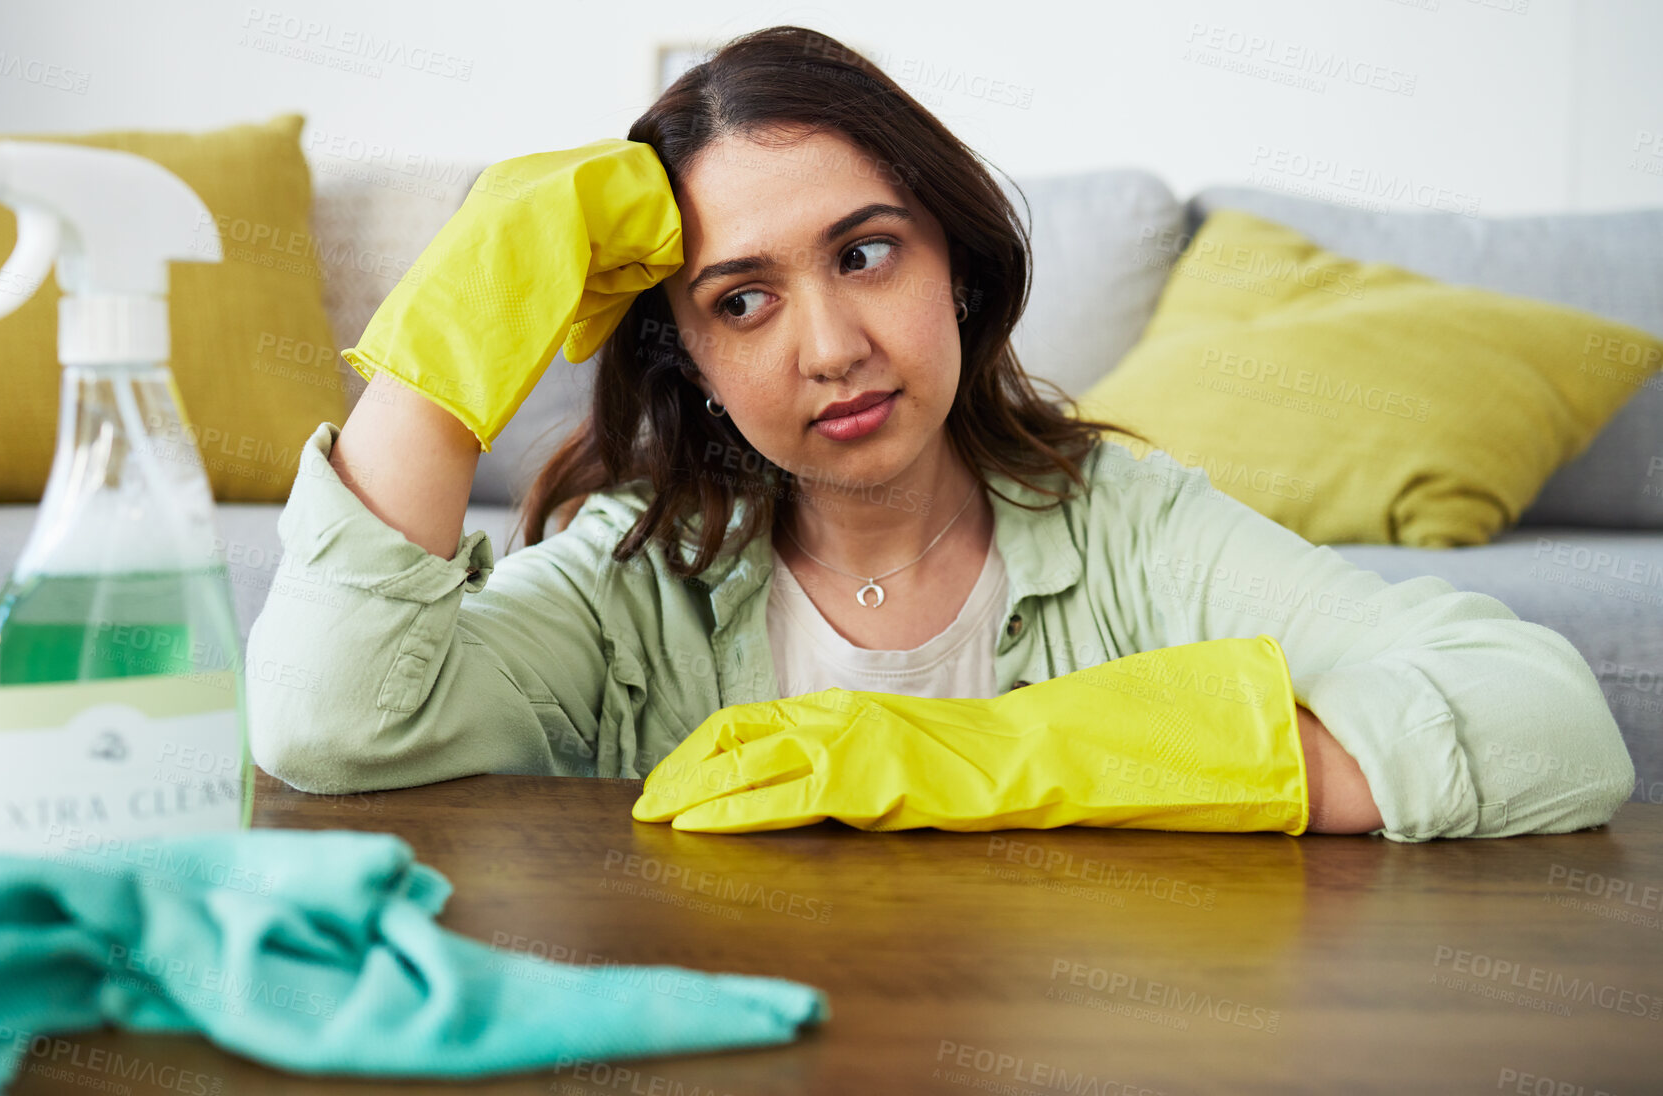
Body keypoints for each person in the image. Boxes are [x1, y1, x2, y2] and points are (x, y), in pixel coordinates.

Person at [244, 25, 1635, 843]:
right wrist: (449, 332)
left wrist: (996, 756)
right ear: (693, 359)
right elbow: (329, 723)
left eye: (863, 254)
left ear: (953, 266)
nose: (832, 346)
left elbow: (1550, 725)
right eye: (743, 298)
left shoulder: (1132, 528)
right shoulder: (629, 585)